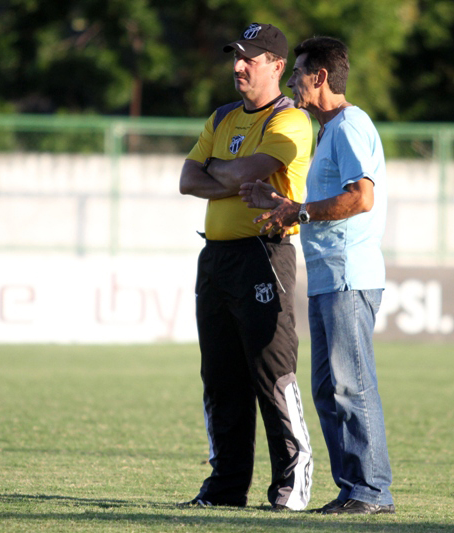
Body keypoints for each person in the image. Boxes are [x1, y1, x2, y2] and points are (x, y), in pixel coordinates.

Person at [239, 36, 395, 515]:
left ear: (320, 77)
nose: (291, 83)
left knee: (351, 385)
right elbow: (312, 204)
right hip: (329, 278)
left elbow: (360, 197)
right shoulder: (329, 130)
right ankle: (353, 489)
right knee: (329, 390)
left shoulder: (349, 125)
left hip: (349, 276)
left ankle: (371, 492)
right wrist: (281, 205)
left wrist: (299, 212)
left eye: (297, 73)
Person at [178, 23, 314, 511]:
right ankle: (225, 487)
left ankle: (291, 483)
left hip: (264, 254)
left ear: (277, 66)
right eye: (235, 56)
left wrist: (219, 172)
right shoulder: (222, 116)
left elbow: (234, 173)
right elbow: (185, 179)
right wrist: (226, 175)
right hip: (215, 257)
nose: (237, 66)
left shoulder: (291, 120)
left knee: (272, 372)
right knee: (219, 377)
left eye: (249, 59)